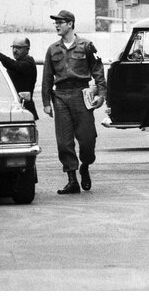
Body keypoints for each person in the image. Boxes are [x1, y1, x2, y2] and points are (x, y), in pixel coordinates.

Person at [41, 10, 106, 195]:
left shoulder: (86, 46)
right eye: (56, 23)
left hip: (81, 94)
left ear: (70, 24)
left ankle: (85, 165)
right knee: (64, 141)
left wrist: (101, 94)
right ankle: (72, 179)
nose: (57, 25)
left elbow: (98, 70)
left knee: (87, 139)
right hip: (60, 95)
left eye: (60, 22)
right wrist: (46, 102)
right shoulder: (52, 49)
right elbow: (47, 77)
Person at [0, 37, 38, 119]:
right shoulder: (19, 62)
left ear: (27, 49)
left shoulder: (28, 63)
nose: (15, 50)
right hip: (15, 106)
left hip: (24, 109)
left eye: (18, 48)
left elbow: (13, 65)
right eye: (13, 47)